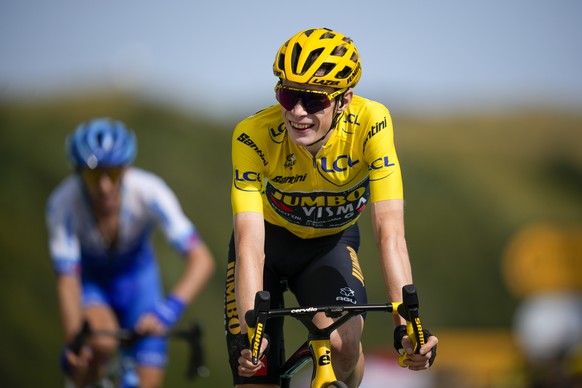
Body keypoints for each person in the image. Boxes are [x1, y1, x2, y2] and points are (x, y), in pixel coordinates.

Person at [224, 27, 438, 387]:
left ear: (345, 99)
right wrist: (251, 333)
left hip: (329, 245)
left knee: (344, 345)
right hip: (267, 247)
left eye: (314, 101)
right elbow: (249, 244)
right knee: (256, 375)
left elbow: (390, 234)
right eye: (288, 94)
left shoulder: (372, 123)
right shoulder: (252, 135)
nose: (297, 111)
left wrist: (406, 327)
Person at [46, 117, 215, 388]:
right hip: (93, 285)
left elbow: (201, 259)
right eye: (93, 175)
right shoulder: (62, 203)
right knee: (101, 343)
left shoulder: (149, 191)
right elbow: (67, 279)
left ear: (126, 169)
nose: (104, 186)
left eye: (112, 173)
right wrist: (74, 342)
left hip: (139, 284)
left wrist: (169, 310)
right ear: (78, 173)